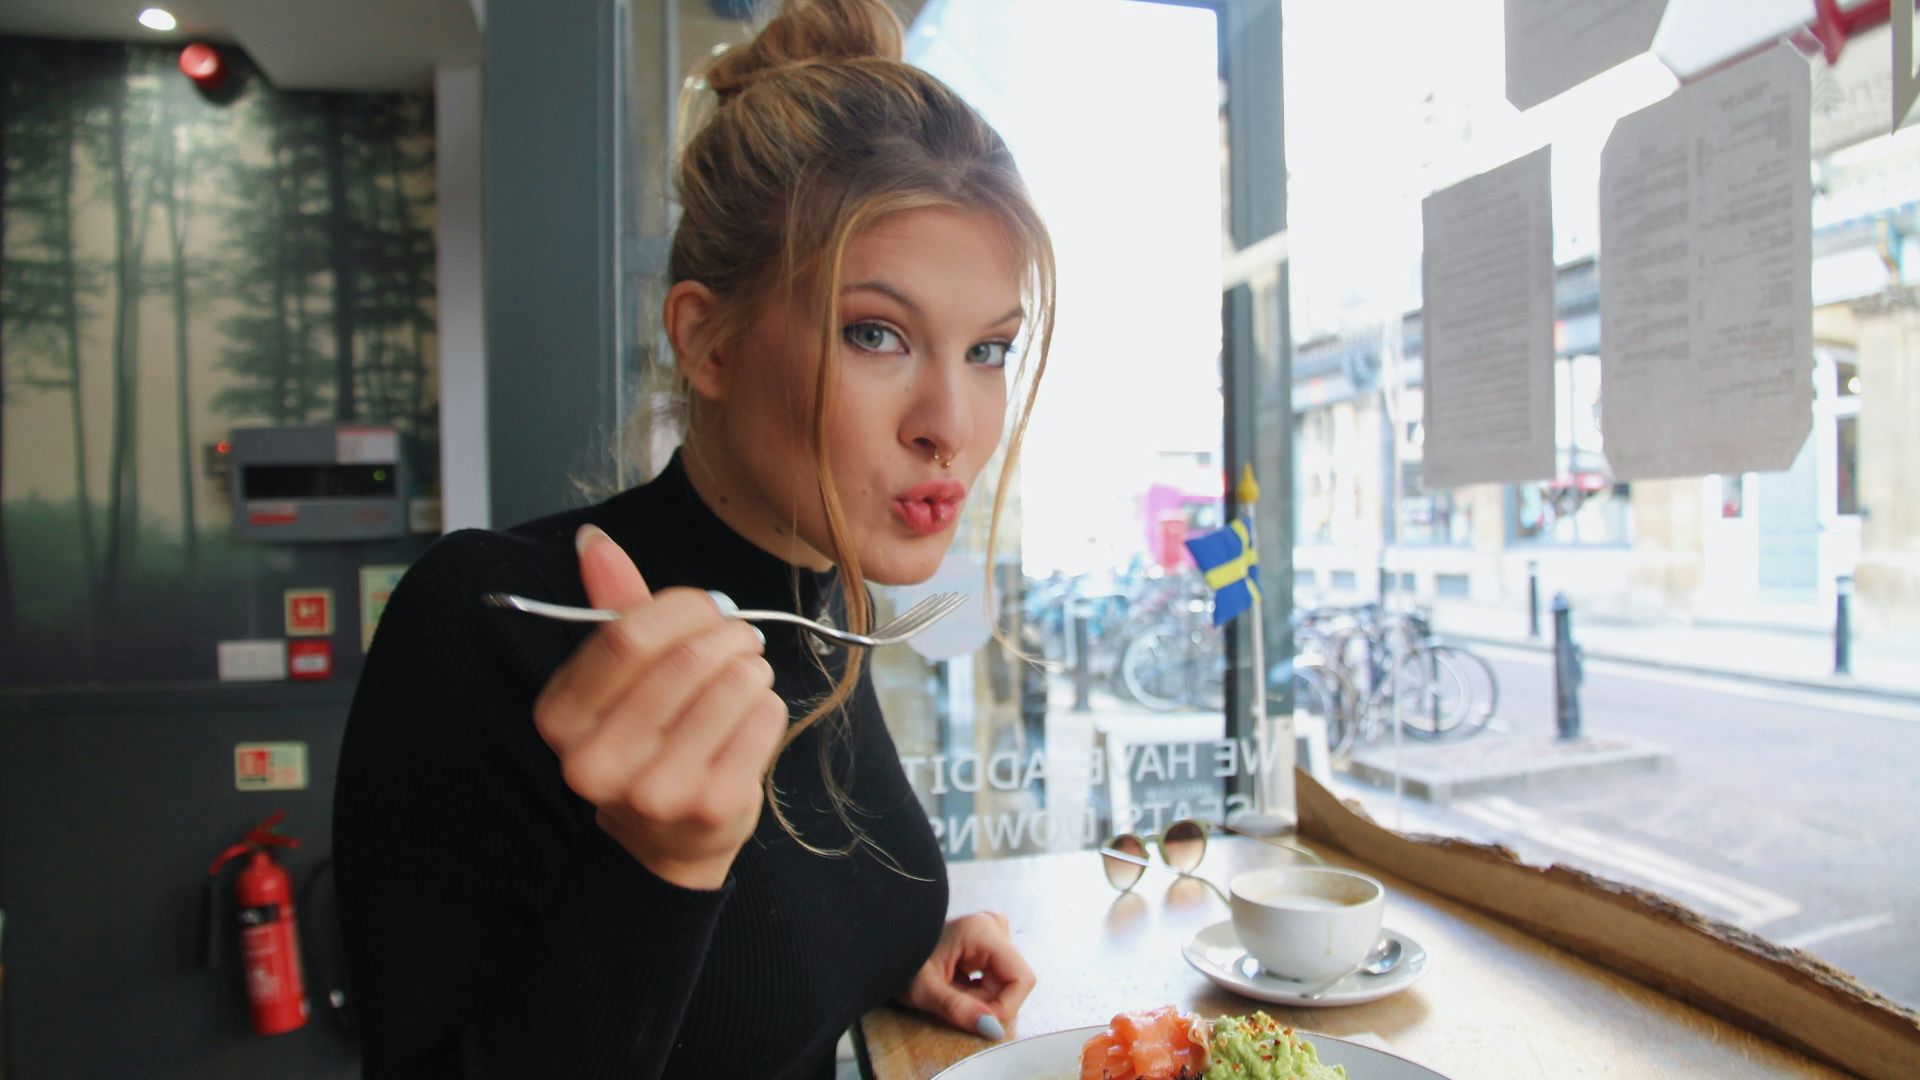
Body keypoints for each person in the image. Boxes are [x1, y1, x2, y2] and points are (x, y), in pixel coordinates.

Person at [332, 0, 1057, 1076]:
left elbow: (747, 966)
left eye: (990, 350)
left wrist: (886, 957)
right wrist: (654, 865)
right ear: (706, 339)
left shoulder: (822, 604)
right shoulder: (491, 621)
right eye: (877, 334)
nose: (951, 426)